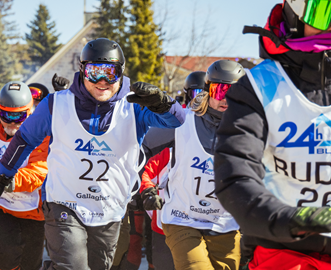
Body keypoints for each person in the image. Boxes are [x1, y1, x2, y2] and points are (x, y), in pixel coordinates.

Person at [0, 37, 185, 270]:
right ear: (82, 71)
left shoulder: (134, 106)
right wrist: (0, 178)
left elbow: (177, 121)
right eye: (95, 72)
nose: (103, 81)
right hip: (64, 203)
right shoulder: (55, 104)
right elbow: (23, 140)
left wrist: (163, 103)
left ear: (121, 73)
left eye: (111, 73)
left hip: (109, 209)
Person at [215, 1, 331, 269]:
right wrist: (296, 219)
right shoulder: (259, 87)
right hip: (285, 252)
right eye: (325, 12)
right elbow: (235, 177)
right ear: (294, 16)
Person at [141, 60, 244, 270]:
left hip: (224, 223)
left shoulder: (248, 132)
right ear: (207, 91)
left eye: (233, 93)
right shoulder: (184, 121)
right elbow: (147, 145)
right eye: (220, 90)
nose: (226, 99)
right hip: (182, 218)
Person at [0, 81, 49, 270]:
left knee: (30, 262)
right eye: (6, 115)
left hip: (32, 210)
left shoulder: (42, 131)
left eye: (20, 116)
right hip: (0, 205)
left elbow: (39, 171)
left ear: (30, 112)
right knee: (8, 251)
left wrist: (6, 180)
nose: (13, 123)